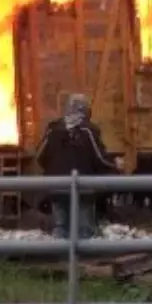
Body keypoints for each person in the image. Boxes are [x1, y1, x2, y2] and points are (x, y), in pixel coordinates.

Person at [34, 93, 121, 240]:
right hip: (83, 189)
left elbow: (39, 156)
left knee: (60, 228)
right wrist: (116, 164)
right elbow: (100, 159)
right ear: (86, 110)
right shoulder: (88, 130)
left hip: (57, 187)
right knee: (84, 229)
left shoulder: (53, 130)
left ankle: (63, 258)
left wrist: (53, 171)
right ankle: (82, 258)